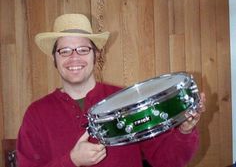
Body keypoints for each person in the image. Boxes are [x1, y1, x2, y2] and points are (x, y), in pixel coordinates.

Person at [16, 14, 206, 167]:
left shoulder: (128, 101)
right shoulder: (36, 114)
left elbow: (167, 161)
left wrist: (184, 131)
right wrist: (71, 161)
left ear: (96, 54)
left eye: (83, 49)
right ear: (54, 59)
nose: (74, 58)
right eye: (65, 51)